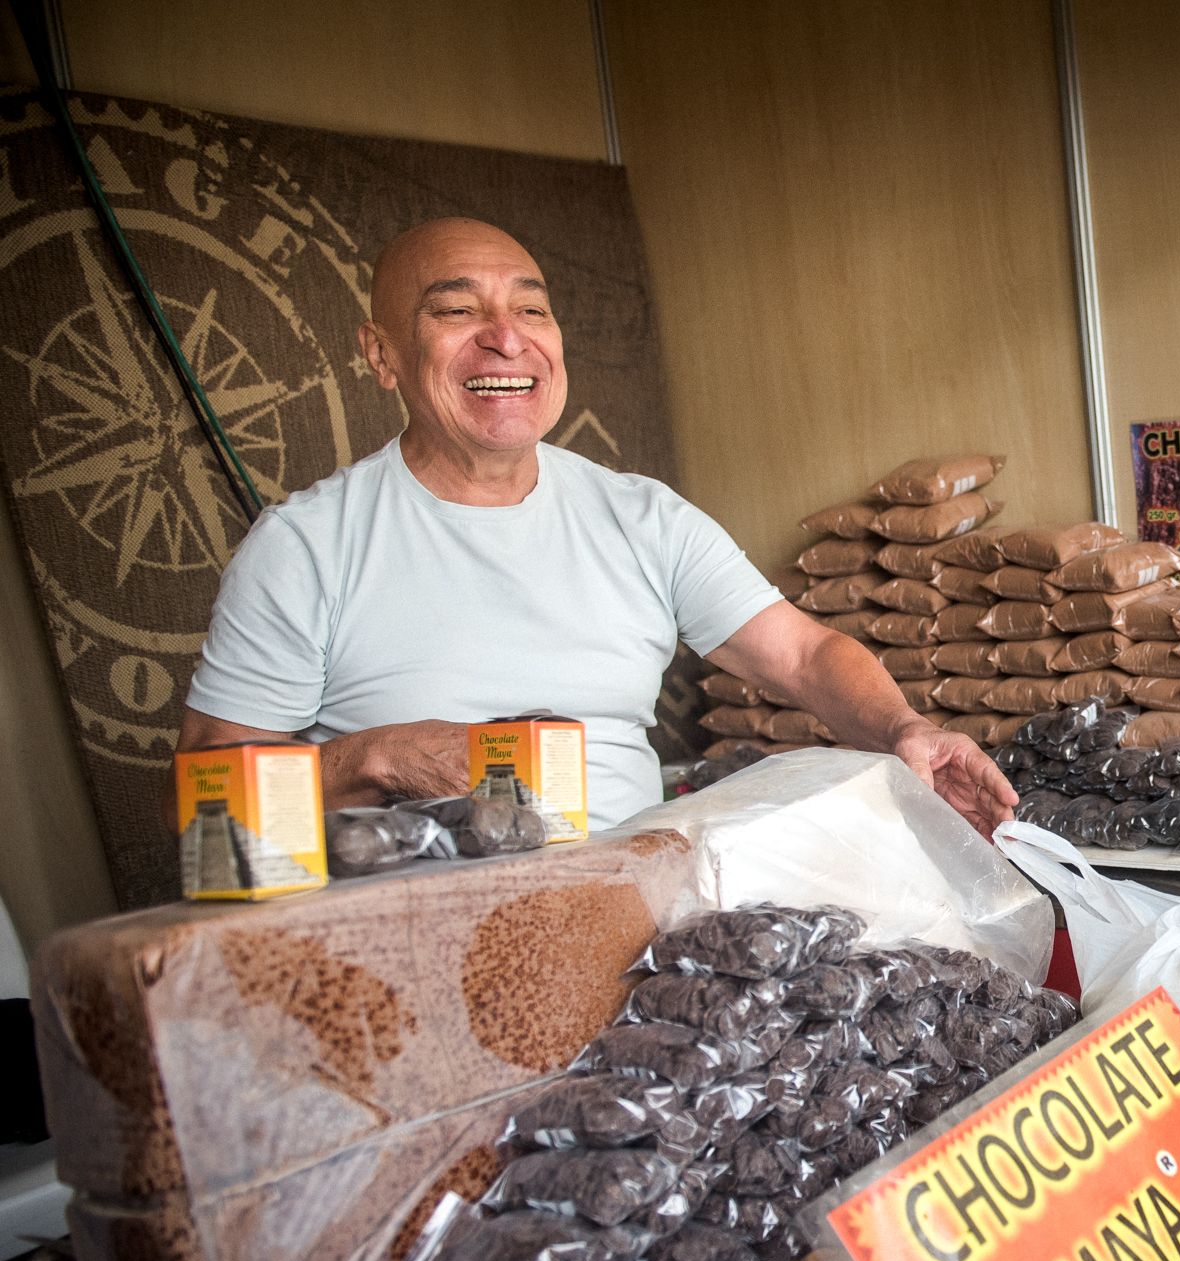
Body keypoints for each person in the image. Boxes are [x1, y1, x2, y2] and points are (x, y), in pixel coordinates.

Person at [178, 218, 1014, 835]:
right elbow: (209, 804)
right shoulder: (306, 548)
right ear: (381, 353)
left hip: (639, 921)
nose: (505, 340)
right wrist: (378, 758)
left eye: (531, 312)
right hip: (409, 935)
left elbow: (804, 655)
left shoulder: (639, 516)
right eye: (455, 312)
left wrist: (908, 729)